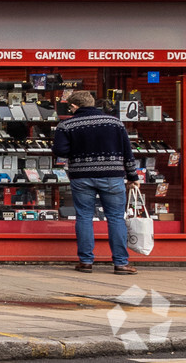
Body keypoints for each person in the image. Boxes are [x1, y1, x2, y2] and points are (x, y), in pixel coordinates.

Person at [56, 88, 136, 274]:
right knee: (116, 218)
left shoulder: (66, 125)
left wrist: (77, 150)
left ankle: (86, 262)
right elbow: (127, 153)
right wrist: (133, 177)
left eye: (71, 107)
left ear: (75, 105)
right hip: (112, 176)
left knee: (84, 217)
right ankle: (121, 263)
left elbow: (60, 151)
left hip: (81, 176)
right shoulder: (115, 123)